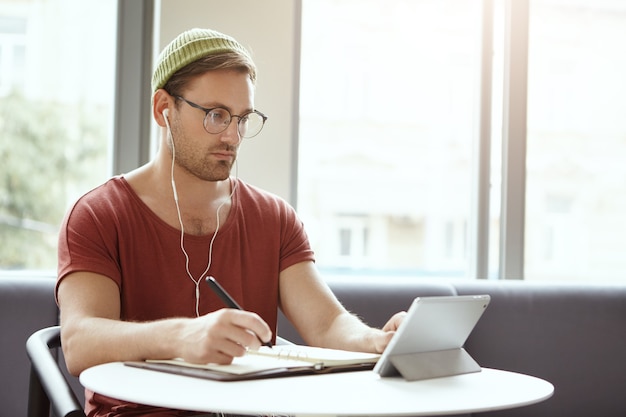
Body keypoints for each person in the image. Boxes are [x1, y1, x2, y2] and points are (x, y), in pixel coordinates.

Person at [57, 28, 405, 417]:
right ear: (163, 109)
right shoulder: (98, 214)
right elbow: (79, 342)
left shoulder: (274, 218)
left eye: (242, 118)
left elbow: (326, 325)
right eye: (216, 115)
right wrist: (182, 335)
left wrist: (376, 341)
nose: (232, 136)